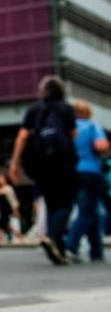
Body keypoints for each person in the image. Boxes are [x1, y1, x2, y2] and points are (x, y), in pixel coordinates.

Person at [9, 75, 78, 265]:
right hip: (64, 163)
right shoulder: (66, 109)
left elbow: (22, 137)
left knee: (51, 204)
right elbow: (73, 135)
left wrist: (14, 162)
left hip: (41, 165)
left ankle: (59, 251)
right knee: (66, 204)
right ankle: (52, 238)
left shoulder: (34, 110)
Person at [65, 100, 109, 263]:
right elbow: (101, 145)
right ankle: (71, 246)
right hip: (91, 171)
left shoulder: (70, 130)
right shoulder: (92, 126)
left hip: (73, 172)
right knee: (87, 211)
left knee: (93, 211)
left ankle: (96, 251)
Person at [0, 174, 21, 243]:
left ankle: (0, 239)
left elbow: (12, 200)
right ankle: (17, 235)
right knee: (6, 224)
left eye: (1, 179)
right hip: (2, 209)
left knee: (0, 223)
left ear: (5, 179)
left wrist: (15, 210)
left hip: (7, 209)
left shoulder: (8, 188)